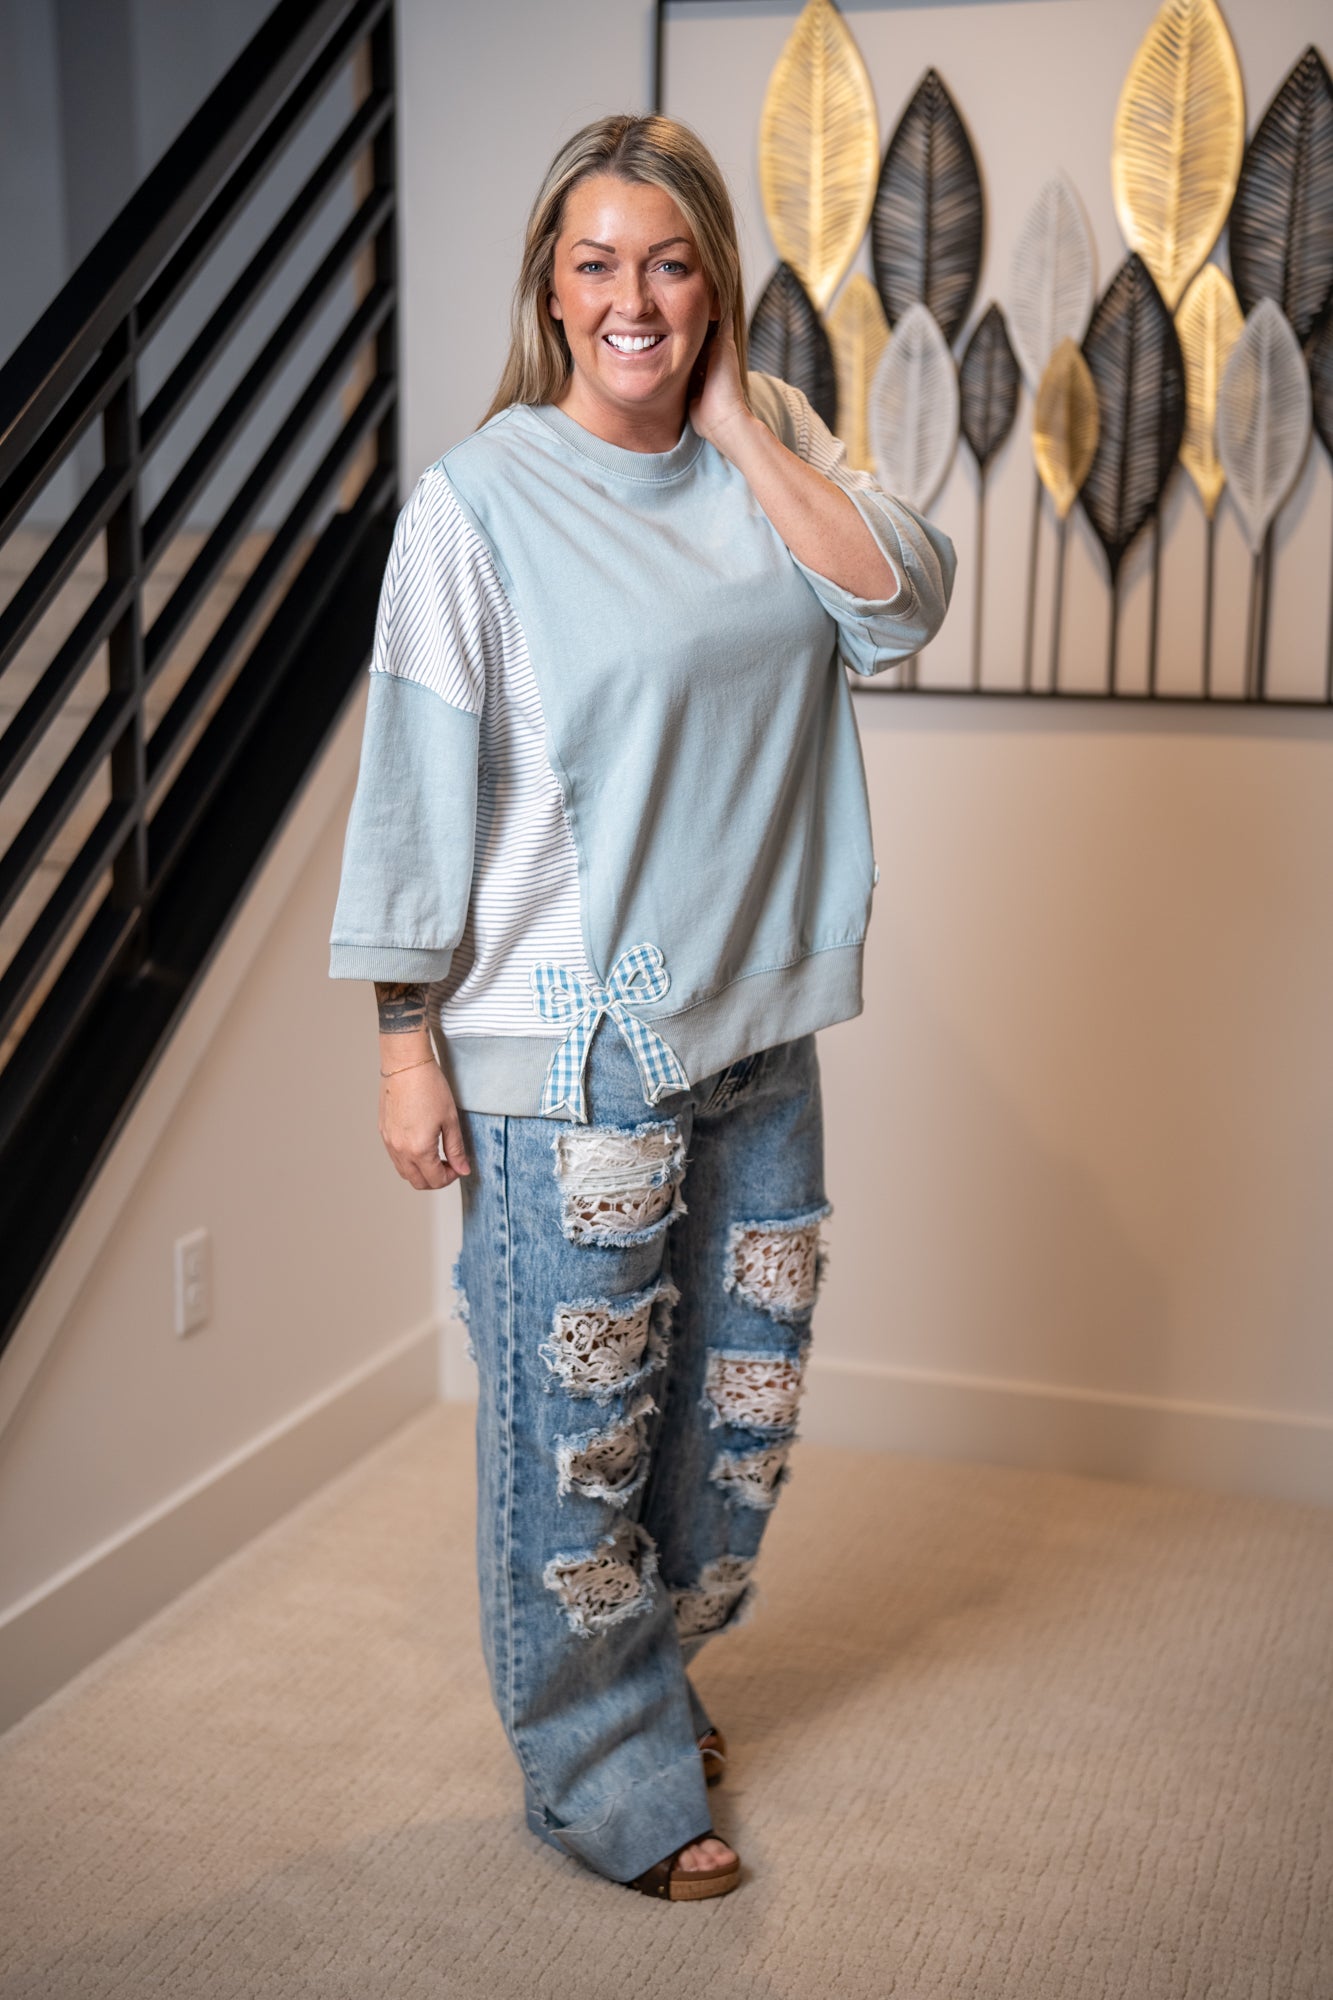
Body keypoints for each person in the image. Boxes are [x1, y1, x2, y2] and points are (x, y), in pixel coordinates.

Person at [329, 113, 955, 1901]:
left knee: (724, 1418)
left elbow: (896, 610)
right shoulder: (476, 502)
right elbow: (412, 798)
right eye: (596, 262)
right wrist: (401, 1041)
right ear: (547, 281)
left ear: (714, 288)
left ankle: (652, 1688)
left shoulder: (767, 470)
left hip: (760, 1028)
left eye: (669, 262)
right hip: (564, 1053)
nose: (634, 297)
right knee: (579, 1438)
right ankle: (604, 1775)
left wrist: (744, 419)